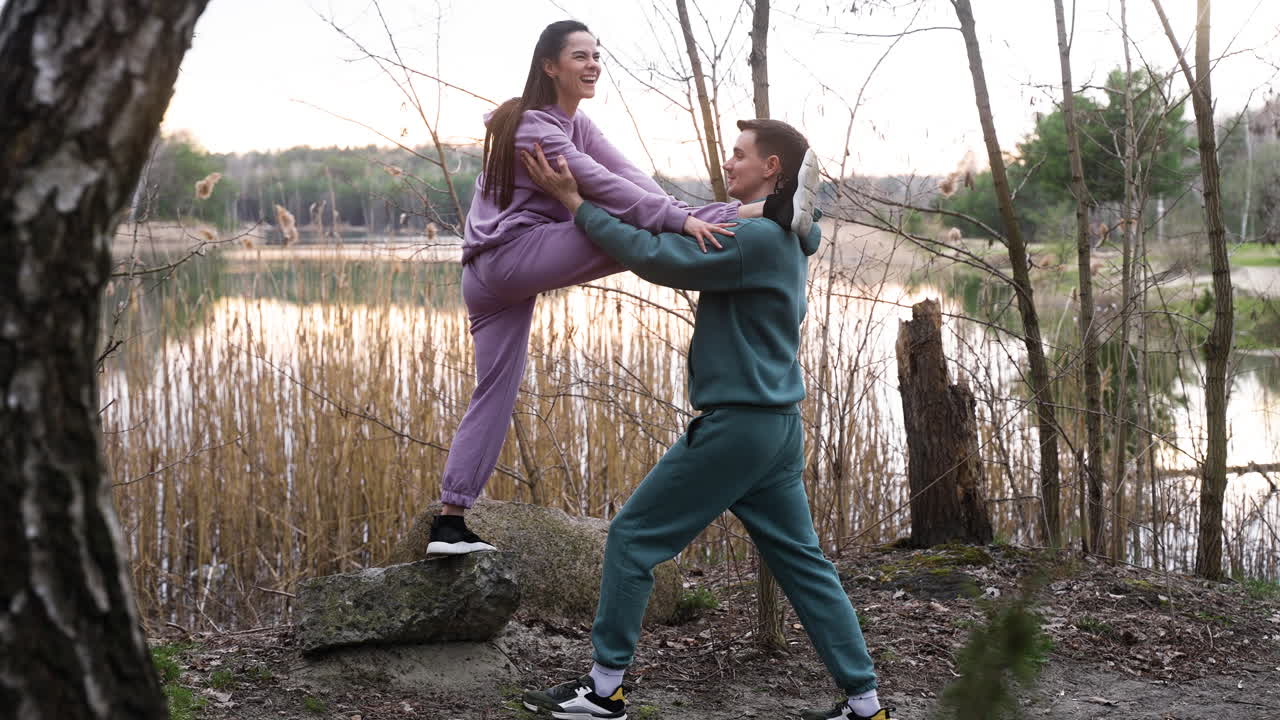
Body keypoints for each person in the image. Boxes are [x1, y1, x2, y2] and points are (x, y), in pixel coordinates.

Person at [515, 120, 888, 720]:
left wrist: (574, 202)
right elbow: (677, 225)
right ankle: (866, 704)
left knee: (633, 539)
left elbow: (655, 258)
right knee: (804, 565)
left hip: (738, 427)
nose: (729, 162)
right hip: (775, 428)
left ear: (772, 169)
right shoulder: (783, 234)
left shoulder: (759, 238)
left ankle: (603, 690)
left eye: (741, 155)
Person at [426, 19, 812, 555]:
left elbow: (632, 178)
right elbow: (600, 186)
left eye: (596, 56)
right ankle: (767, 210)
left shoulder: (576, 126)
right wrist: (680, 222)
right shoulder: (535, 126)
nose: (592, 65)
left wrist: (674, 212)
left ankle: (449, 523)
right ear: (549, 66)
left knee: (493, 395)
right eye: (580, 56)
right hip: (509, 259)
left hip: (493, 279)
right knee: (622, 234)